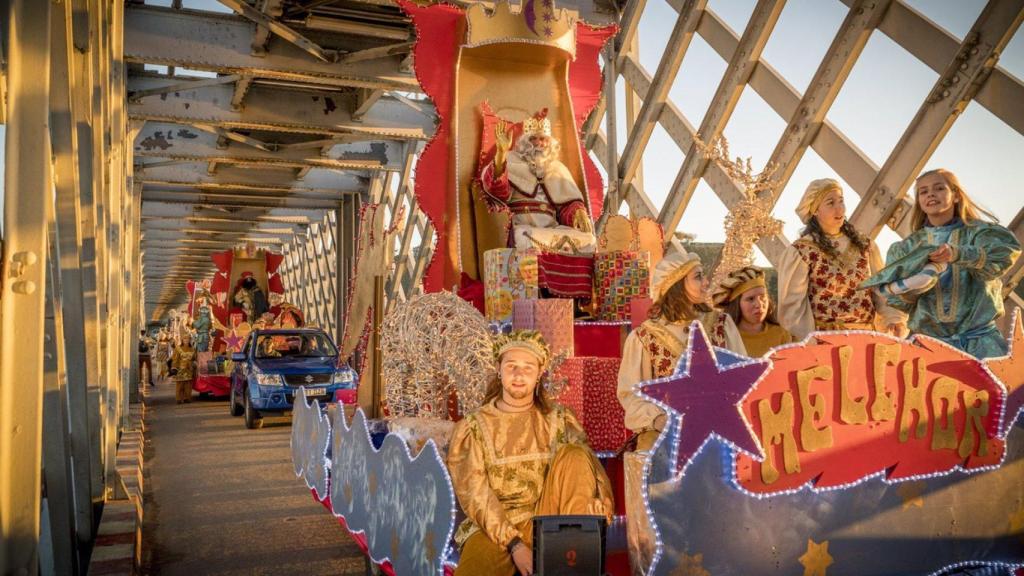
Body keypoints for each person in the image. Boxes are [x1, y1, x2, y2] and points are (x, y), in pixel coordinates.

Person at [447, 330, 614, 576]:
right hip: (494, 526)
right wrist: (515, 545)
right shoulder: (474, 426)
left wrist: (601, 508)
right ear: (498, 368)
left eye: (528, 368)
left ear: (539, 375)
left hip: (550, 519)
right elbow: (475, 493)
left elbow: (589, 472)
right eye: (511, 366)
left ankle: (573, 539)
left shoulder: (559, 419)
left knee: (576, 454)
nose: (518, 375)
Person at [864, 169, 1021, 358]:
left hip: (981, 346)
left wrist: (957, 253)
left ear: (955, 195)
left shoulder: (981, 233)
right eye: (923, 191)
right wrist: (914, 288)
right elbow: (898, 300)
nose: (930, 194)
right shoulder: (906, 248)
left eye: (939, 188)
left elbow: (1002, 257)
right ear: (920, 202)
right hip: (929, 348)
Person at [617, 251, 747, 452]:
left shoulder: (721, 325)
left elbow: (743, 378)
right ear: (675, 285)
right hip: (668, 436)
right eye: (698, 277)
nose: (706, 282)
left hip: (721, 432)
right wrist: (658, 419)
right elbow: (631, 395)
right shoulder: (644, 337)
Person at [777, 178, 904, 340]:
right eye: (830, 203)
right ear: (815, 210)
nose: (839, 208)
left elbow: (881, 289)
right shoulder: (802, 250)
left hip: (865, 337)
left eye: (841, 201)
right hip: (825, 340)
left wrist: (893, 319)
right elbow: (793, 306)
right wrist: (811, 340)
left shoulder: (865, 246)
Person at [479, 114, 596, 253]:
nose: (538, 143)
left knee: (588, 241)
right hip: (523, 228)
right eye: (533, 139)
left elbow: (567, 207)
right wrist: (500, 154)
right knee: (526, 239)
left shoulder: (558, 168)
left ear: (550, 142)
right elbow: (497, 190)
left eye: (543, 139)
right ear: (524, 142)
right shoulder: (510, 160)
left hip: (552, 230)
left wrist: (578, 212)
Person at [712, 266, 793, 358]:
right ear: (737, 304)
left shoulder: (781, 335)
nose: (759, 304)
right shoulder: (724, 337)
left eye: (763, 297)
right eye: (750, 299)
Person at [171, 335, 197, 404]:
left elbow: (194, 358)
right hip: (180, 369)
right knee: (180, 384)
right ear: (182, 340)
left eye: (188, 339)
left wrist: (194, 366)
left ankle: (187, 398)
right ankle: (178, 399)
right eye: (185, 339)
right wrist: (174, 367)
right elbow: (175, 359)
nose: (187, 340)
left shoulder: (193, 349)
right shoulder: (178, 348)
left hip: (189, 369)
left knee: (188, 384)